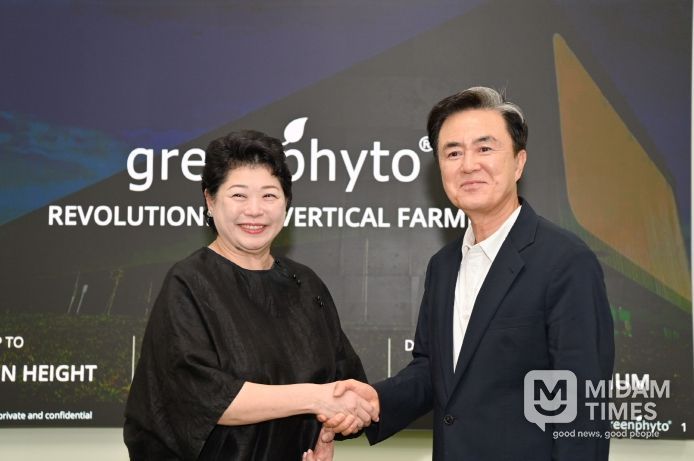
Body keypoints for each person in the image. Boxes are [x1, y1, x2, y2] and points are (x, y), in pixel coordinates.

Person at [322, 87, 615, 460]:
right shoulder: (443, 266)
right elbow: (433, 371)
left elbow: (583, 409)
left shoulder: (565, 261)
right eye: (453, 153)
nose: (468, 165)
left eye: (485, 148)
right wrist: (377, 401)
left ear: (519, 162)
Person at [123, 130, 377, 460]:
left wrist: (332, 427)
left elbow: (344, 385)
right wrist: (317, 399)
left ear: (287, 203)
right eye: (239, 195)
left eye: (269, 195)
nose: (255, 210)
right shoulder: (189, 284)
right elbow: (204, 397)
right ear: (210, 201)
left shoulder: (307, 285)